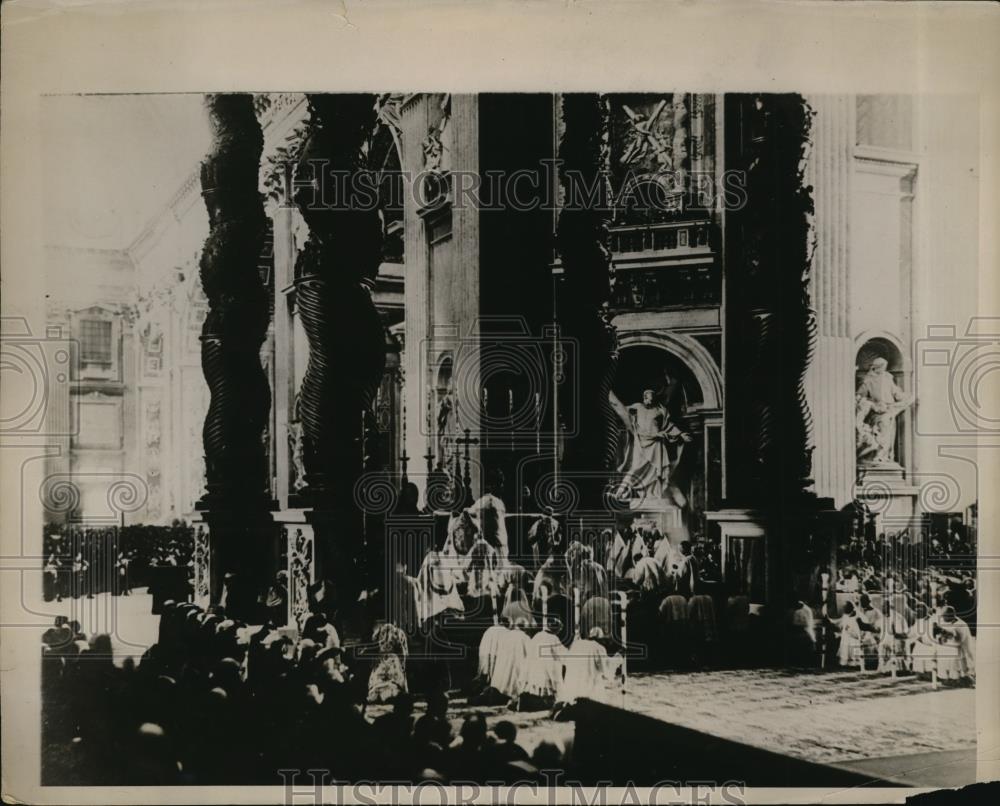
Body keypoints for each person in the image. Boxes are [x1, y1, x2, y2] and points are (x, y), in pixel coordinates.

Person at [610, 388, 692, 506]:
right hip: (641, 443)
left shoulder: (659, 411)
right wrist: (613, 402)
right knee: (634, 469)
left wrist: (681, 434)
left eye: (652, 399)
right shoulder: (637, 407)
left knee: (657, 471)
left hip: (656, 444)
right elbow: (622, 410)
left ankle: (655, 495)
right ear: (644, 398)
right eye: (647, 398)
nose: (649, 401)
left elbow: (668, 426)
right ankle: (619, 492)